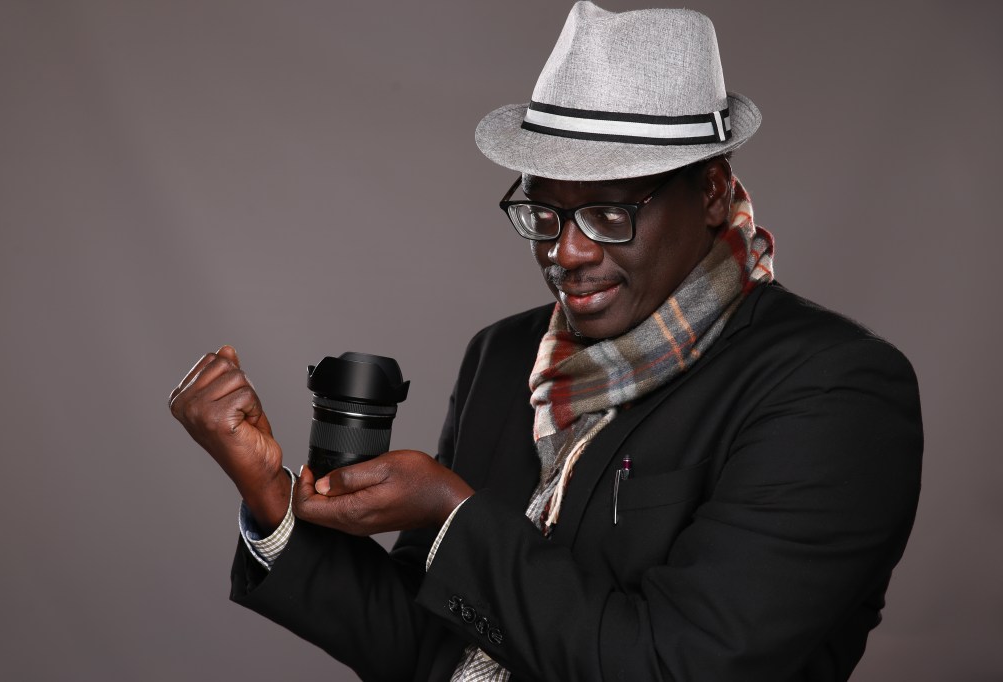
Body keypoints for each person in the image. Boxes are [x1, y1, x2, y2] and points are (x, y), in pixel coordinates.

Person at [169, 3, 922, 681]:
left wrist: (454, 514)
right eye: (545, 212)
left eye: (609, 213)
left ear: (714, 192)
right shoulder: (505, 357)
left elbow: (681, 663)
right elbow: (428, 648)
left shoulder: (832, 390)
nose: (566, 252)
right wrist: (270, 500)